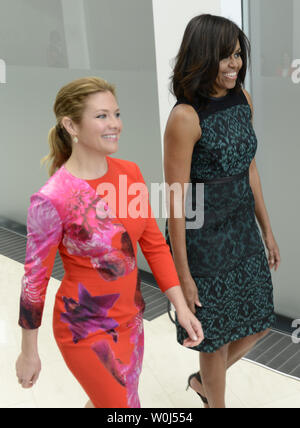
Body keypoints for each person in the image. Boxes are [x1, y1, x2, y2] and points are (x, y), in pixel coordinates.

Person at [15, 77, 204, 408]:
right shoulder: (52, 198)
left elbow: (153, 245)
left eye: (116, 114)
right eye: (101, 116)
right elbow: (34, 282)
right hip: (84, 329)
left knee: (112, 401)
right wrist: (28, 352)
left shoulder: (129, 172)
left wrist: (181, 305)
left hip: (131, 318)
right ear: (70, 124)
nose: (115, 124)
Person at [164, 14, 281, 409]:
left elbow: (250, 168)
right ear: (202, 57)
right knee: (213, 337)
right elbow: (176, 203)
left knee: (260, 319)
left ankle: (203, 383)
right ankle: (217, 401)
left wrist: (266, 229)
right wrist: (183, 274)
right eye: (224, 57)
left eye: (237, 55)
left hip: (242, 230)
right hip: (203, 241)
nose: (235, 65)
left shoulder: (242, 100)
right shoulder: (185, 117)